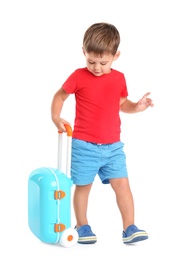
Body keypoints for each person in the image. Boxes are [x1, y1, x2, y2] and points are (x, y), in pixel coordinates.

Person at [51, 22, 154, 245]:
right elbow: (59, 96)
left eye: (103, 62)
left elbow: (122, 104)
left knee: (123, 185)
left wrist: (136, 106)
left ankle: (129, 228)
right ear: (83, 53)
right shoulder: (78, 76)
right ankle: (83, 225)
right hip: (84, 145)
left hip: (113, 147)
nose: (97, 67)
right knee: (83, 185)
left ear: (116, 56)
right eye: (91, 61)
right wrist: (56, 117)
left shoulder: (119, 78)